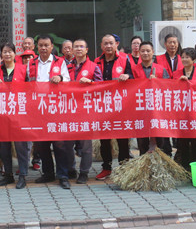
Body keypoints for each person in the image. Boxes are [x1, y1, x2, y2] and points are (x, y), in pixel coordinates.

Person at [29, 35, 73, 189]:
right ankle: (48, 173)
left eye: (46, 45)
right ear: (37, 47)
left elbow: (68, 79)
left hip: (55, 108)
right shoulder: (32, 62)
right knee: (42, 144)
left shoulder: (59, 61)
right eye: (41, 45)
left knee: (59, 144)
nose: (43, 48)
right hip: (38, 108)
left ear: (52, 46)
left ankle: (63, 175)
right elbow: (27, 83)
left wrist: (60, 77)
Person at [94, 34, 133, 180]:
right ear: (101, 46)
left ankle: (124, 167)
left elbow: (133, 77)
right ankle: (106, 168)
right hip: (103, 105)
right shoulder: (97, 61)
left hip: (121, 105)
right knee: (104, 139)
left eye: (111, 43)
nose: (108, 46)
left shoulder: (125, 59)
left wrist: (128, 76)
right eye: (106, 43)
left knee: (122, 138)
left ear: (116, 44)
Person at [0, 42, 30, 189]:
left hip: (19, 113)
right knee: (4, 148)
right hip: (2, 113)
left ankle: (23, 176)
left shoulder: (23, 69)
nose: (7, 54)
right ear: (1, 54)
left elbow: (30, 89)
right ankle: (8, 175)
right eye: (5, 52)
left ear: (15, 54)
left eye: (10, 51)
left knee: (21, 146)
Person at [69, 38, 102, 184]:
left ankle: (84, 172)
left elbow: (101, 87)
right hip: (68, 110)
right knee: (67, 144)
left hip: (86, 111)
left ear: (86, 50)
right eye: (76, 47)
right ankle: (71, 169)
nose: (78, 49)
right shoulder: (67, 66)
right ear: (72, 50)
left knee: (86, 145)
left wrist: (91, 83)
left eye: (81, 46)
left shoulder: (94, 67)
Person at [172, 47, 196, 170]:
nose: (184, 59)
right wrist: (179, 82)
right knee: (182, 142)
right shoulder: (176, 74)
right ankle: (184, 168)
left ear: (193, 59)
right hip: (181, 113)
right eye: (182, 57)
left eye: (187, 57)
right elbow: (170, 90)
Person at [134, 41, 171, 155]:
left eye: (148, 51)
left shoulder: (161, 69)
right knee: (142, 141)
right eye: (143, 51)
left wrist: (158, 82)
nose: (145, 53)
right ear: (139, 53)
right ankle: (144, 161)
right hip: (140, 110)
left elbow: (168, 88)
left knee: (161, 139)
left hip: (158, 111)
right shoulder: (134, 70)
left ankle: (162, 161)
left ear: (153, 52)